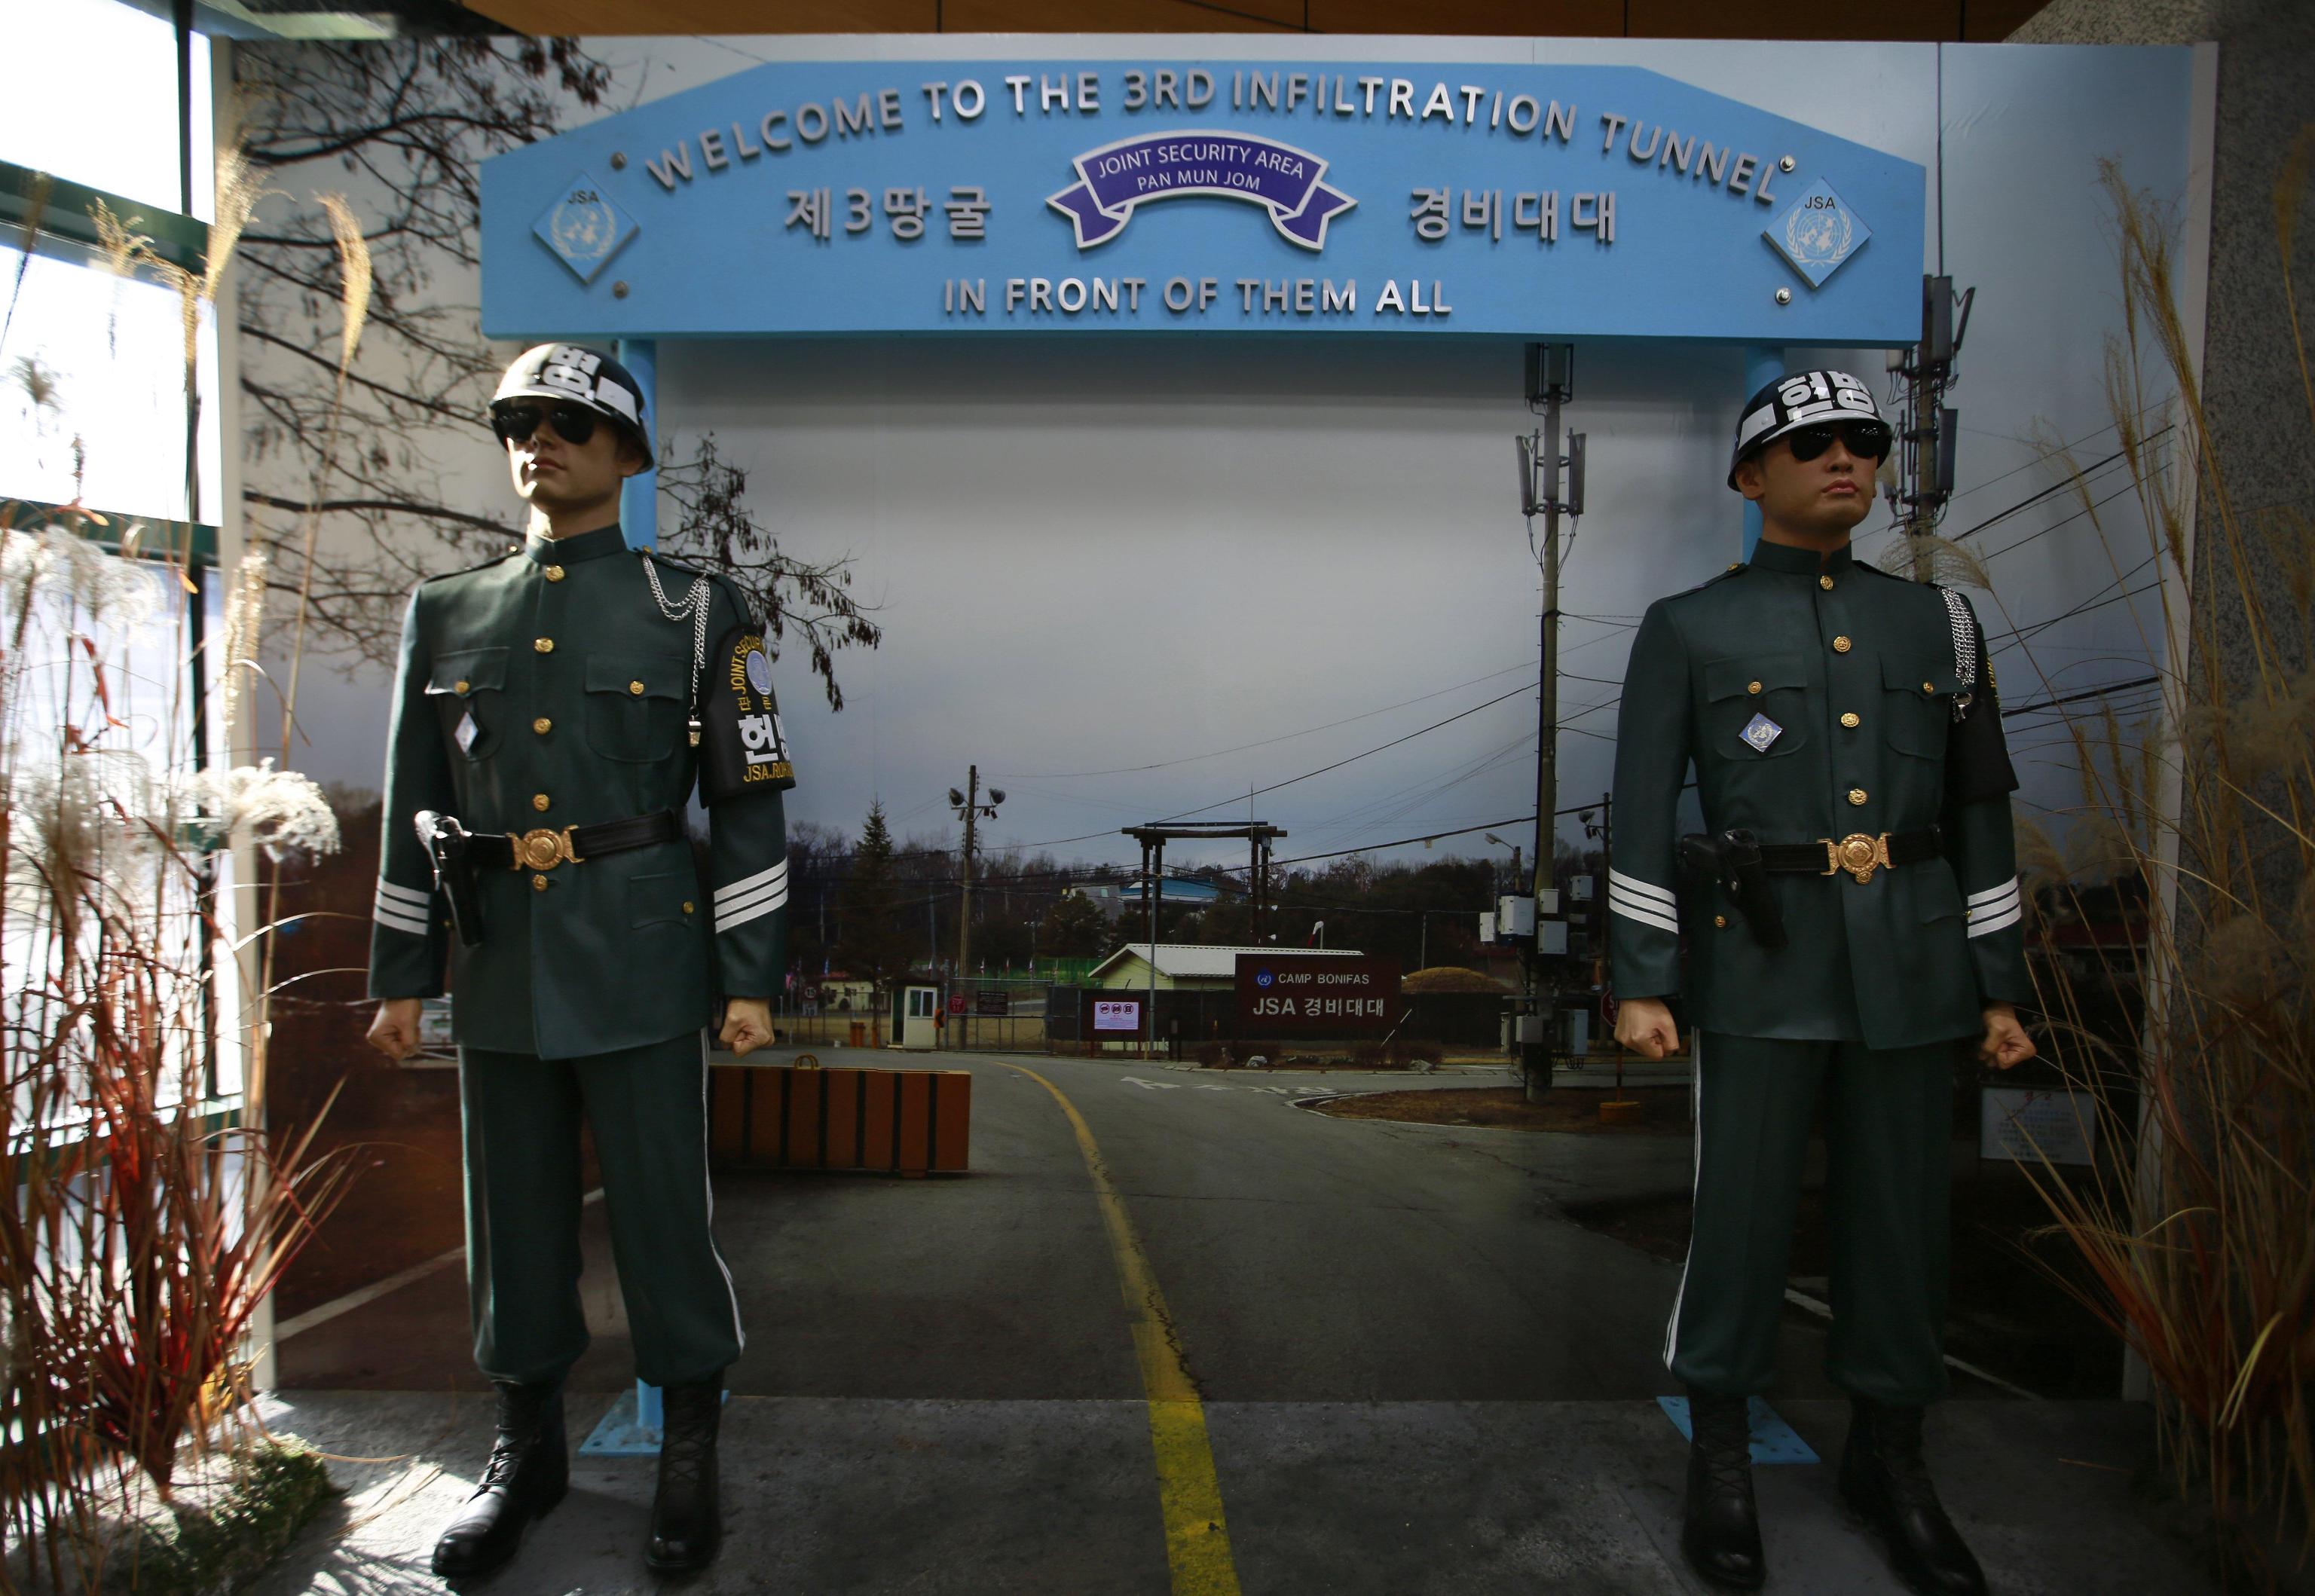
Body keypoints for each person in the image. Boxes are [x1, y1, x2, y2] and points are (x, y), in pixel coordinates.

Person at [364, 343, 797, 1579]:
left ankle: (688, 1452)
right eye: (520, 421)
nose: (538, 440)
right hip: (501, 960)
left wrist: (748, 973)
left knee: (665, 1215)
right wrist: (406, 970)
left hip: (643, 954)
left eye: (568, 422)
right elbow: (412, 801)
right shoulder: (446, 611)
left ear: (624, 453)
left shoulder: (698, 606)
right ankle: (528, 1450)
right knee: (513, 1222)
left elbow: (748, 803)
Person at [1609, 368, 2036, 1594]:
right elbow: (1640, 817)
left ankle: (1891, 1459)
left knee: (1902, 1222)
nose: (1844, 459)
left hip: (1910, 960)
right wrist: (1645, 974)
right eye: (1810, 444)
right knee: (1738, 1217)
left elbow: (1979, 814)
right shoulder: (1690, 627)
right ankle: (1723, 1456)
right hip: (1761, 957)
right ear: (1751, 476)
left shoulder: (1938, 627)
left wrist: (1998, 982)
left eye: (1864, 440)